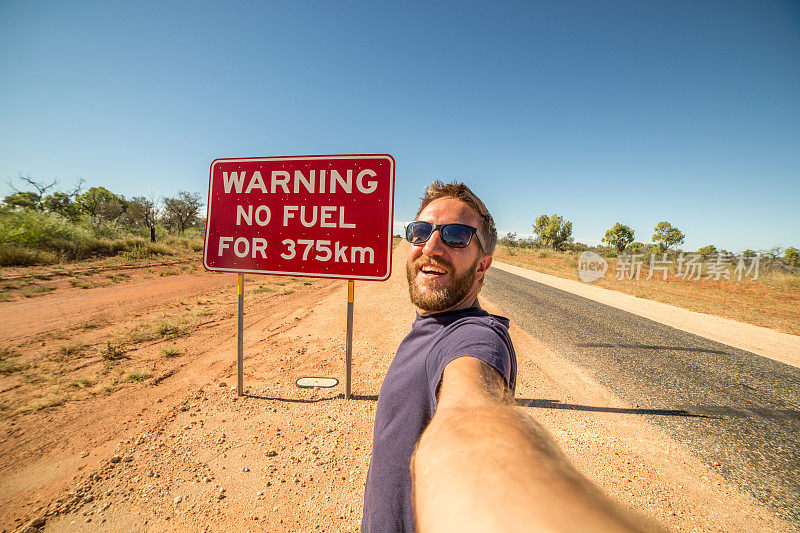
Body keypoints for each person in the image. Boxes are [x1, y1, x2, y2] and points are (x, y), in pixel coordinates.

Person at [361, 181, 644, 533]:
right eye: (420, 232)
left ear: (482, 267)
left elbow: (470, 414)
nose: (431, 246)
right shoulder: (429, 326)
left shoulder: (475, 337)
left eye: (456, 235)